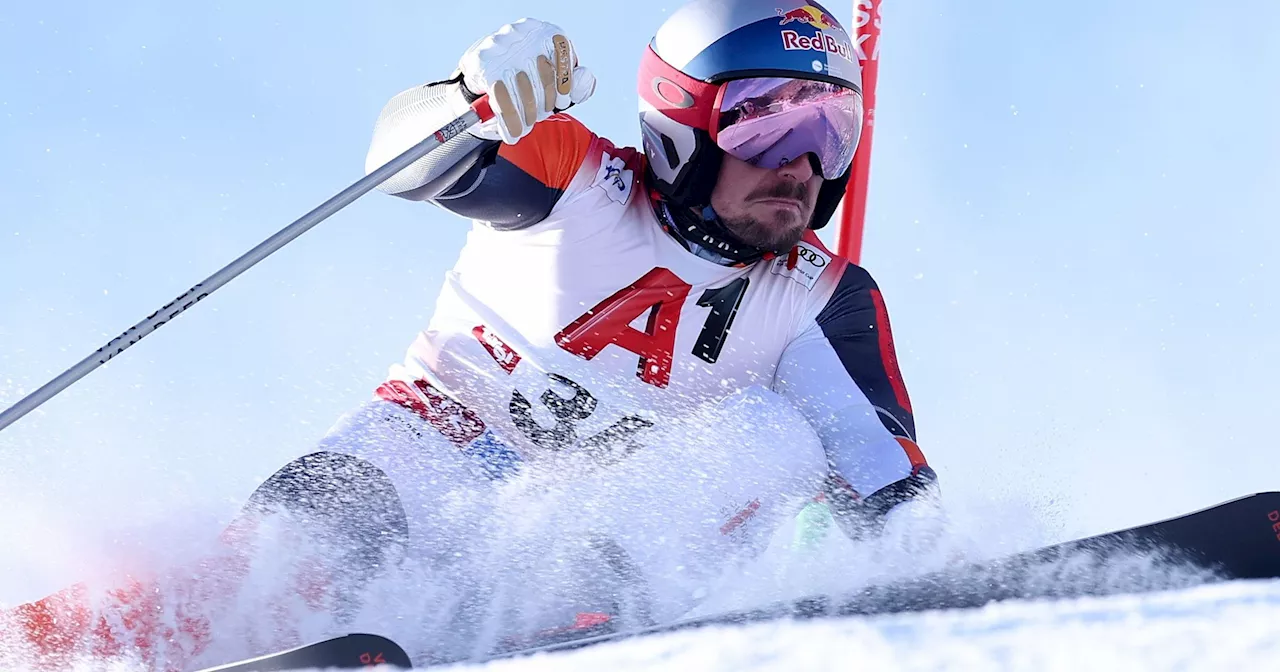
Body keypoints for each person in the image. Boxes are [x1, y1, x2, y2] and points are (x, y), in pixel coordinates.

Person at [3, 1, 937, 667]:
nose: (802, 167)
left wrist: (888, 571)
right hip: (422, 455)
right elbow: (406, 160)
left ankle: (556, 619)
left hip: (594, 536)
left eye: (832, 133)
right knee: (241, 586)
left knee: (774, 438)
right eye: (766, 128)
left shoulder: (821, 295)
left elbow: (890, 486)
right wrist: (470, 94)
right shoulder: (579, 182)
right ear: (680, 126)